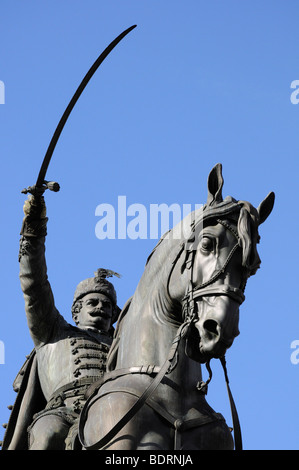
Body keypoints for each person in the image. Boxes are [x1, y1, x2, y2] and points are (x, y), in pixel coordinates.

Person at [3, 191, 120, 450]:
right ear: (76, 311)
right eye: (93, 302)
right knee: (47, 434)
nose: (101, 308)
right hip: (64, 412)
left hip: (117, 412)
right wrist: (34, 228)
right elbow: (34, 285)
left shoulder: (123, 343)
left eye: (107, 306)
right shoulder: (53, 331)